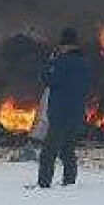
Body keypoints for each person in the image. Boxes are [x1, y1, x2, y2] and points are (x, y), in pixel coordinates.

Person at [37, 27, 91, 188]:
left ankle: (44, 184)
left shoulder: (61, 62)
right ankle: (69, 182)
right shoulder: (84, 64)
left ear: (66, 46)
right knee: (68, 150)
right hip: (77, 114)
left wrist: (50, 62)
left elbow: (47, 78)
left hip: (60, 114)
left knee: (48, 152)